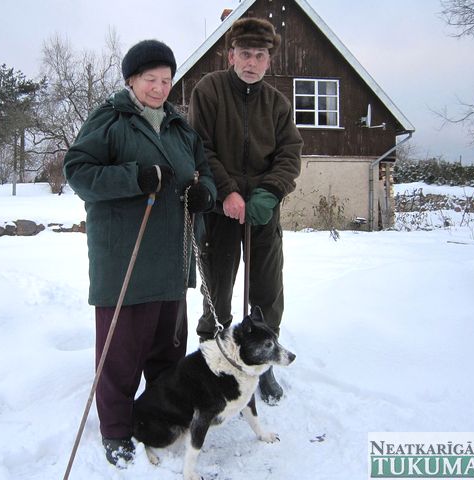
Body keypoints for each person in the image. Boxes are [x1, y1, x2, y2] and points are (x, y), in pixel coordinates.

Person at [63, 39, 216, 467]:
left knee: (168, 353)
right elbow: (78, 172)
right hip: (125, 262)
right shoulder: (110, 120)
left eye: (166, 80)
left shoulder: (180, 128)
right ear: (132, 79)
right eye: (150, 79)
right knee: (121, 355)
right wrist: (136, 176)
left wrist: (206, 193)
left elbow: (204, 173)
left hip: (172, 259)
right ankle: (114, 429)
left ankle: (160, 416)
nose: (159, 87)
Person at [188, 18, 303, 404]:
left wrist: (270, 192)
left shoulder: (277, 103)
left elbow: (290, 153)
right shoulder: (209, 91)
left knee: (267, 291)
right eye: (244, 54)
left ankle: (263, 362)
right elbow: (201, 146)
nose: (251, 62)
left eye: (259, 55)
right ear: (231, 54)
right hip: (221, 214)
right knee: (217, 290)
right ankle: (212, 362)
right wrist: (227, 192)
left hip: (263, 214)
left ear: (268, 60)